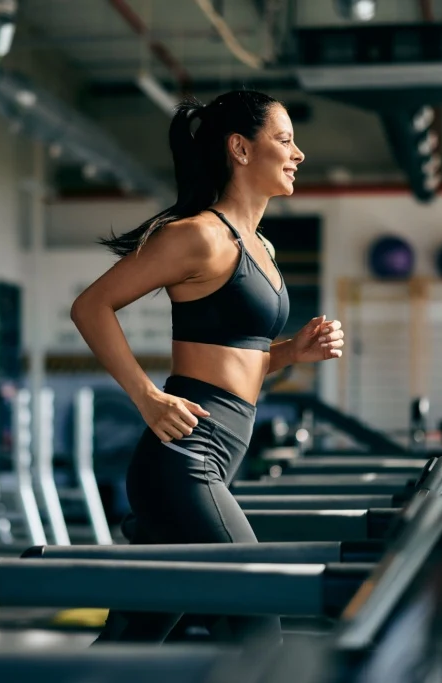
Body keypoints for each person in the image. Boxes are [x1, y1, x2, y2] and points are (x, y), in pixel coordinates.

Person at [70, 90, 345, 644]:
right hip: (184, 460)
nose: (299, 154)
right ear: (240, 149)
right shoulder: (199, 236)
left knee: (133, 641)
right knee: (258, 614)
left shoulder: (259, 245)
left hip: (215, 456)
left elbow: (231, 363)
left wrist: (291, 353)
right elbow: (90, 307)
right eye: (285, 140)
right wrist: (147, 397)